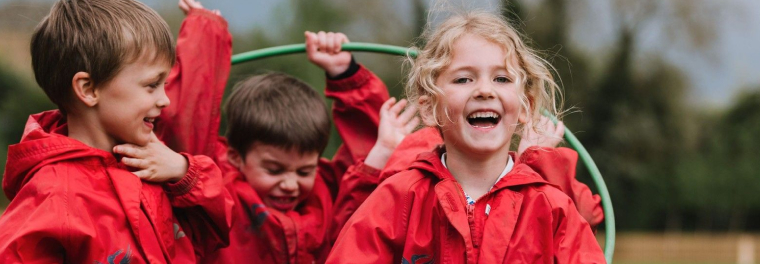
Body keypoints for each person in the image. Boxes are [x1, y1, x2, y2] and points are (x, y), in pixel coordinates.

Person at [328, 11, 606, 263]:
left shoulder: (551, 207)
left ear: (526, 107)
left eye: (502, 79)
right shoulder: (398, 197)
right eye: (463, 79)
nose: (485, 90)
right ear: (429, 108)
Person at [154, 17, 418, 261]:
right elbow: (186, 124)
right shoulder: (218, 189)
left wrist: (344, 73)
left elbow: (366, 165)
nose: (291, 184)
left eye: (304, 170)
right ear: (236, 157)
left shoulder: (326, 194)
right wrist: (205, 30)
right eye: (274, 169)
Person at [0, 0, 234, 262]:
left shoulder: (157, 163)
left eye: (165, 84)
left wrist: (184, 171)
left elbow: (215, 231)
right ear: (88, 89)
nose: (165, 100)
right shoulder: (52, 195)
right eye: (152, 85)